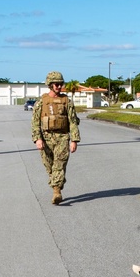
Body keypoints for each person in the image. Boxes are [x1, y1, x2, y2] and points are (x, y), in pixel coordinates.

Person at [31, 71, 80, 204]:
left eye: (60, 84)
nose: (59, 87)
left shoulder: (67, 101)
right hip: (46, 138)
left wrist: (74, 140)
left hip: (62, 137)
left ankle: (56, 191)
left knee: (59, 164)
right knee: (50, 167)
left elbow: (73, 121)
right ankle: (56, 184)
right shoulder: (41, 101)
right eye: (56, 84)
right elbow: (35, 122)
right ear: (50, 85)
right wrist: (38, 139)